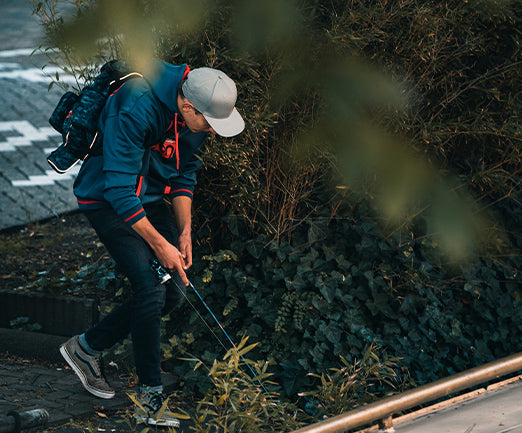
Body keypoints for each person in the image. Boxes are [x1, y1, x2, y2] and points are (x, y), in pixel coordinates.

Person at [58, 60, 245, 427]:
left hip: (148, 198)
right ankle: (150, 399)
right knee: (149, 288)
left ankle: (86, 347)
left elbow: (184, 173)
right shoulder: (135, 107)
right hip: (108, 199)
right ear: (189, 107)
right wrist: (161, 245)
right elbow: (118, 191)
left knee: (173, 289)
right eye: (209, 122)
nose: (210, 130)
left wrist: (184, 231)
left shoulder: (195, 111)